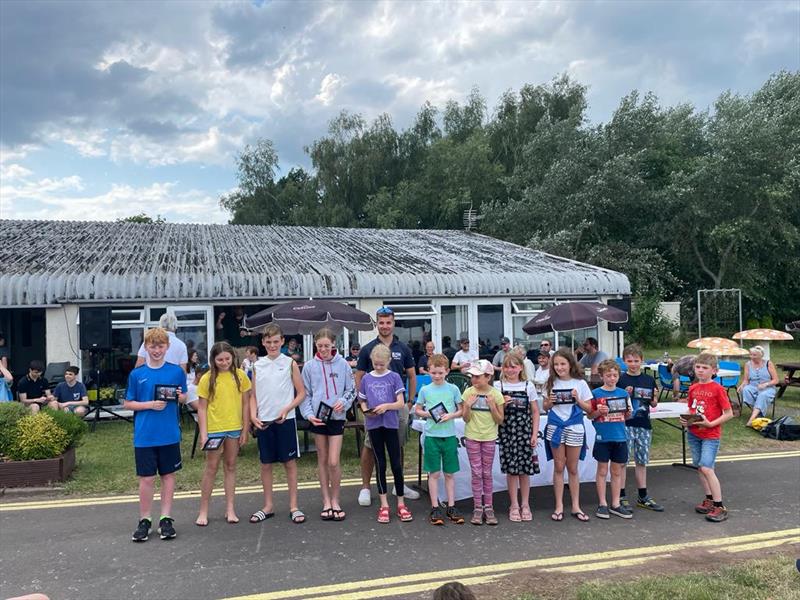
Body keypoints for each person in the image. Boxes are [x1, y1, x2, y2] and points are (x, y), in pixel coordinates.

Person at [122, 327, 187, 542]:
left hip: (169, 434)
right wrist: (150, 404)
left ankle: (166, 518)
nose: (157, 350)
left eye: (160, 346)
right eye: (153, 346)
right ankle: (145, 520)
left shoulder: (176, 371)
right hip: (145, 435)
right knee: (147, 478)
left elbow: (184, 397)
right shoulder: (137, 374)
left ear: (167, 347)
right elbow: (128, 403)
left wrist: (180, 397)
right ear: (146, 347)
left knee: (168, 476)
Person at [356, 306, 419, 506]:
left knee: (397, 444)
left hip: (397, 406)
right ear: (377, 324)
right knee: (370, 446)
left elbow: (411, 375)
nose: (385, 326)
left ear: (393, 323)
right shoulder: (368, 349)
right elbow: (359, 377)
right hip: (373, 410)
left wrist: (409, 402)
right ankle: (366, 487)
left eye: (388, 322)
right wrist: (362, 403)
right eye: (381, 322)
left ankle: (397, 485)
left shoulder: (403, 348)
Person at [250, 325, 306, 525]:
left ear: (282, 341)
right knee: (266, 464)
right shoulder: (257, 366)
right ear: (263, 342)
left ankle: (294, 506)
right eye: (268, 342)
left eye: (276, 341)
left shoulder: (290, 362)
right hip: (264, 421)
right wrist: (252, 415)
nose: (272, 345)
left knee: (289, 464)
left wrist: (287, 409)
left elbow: (301, 393)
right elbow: (253, 395)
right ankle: (268, 506)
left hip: (286, 421)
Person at [194, 341, 251, 527]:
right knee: (211, 468)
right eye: (220, 359)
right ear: (213, 360)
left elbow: (245, 404)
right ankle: (203, 510)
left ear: (233, 358)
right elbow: (201, 408)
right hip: (215, 429)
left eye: (227, 359)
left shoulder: (241, 376)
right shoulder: (207, 378)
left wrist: (245, 428)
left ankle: (230, 508)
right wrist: (204, 434)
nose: (224, 362)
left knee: (231, 466)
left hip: (234, 427)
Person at [301, 328, 355, 522]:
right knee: (322, 460)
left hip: (337, 417)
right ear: (315, 345)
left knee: (333, 461)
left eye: (326, 346)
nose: (323, 349)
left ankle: (336, 499)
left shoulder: (343, 365)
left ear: (334, 344)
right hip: (318, 417)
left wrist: (344, 401)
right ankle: (326, 501)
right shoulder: (309, 366)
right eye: (320, 346)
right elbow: (305, 394)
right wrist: (308, 414)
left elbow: (351, 390)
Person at [358, 344, 412, 524]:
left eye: (382, 364)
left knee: (396, 463)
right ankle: (384, 504)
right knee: (380, 463)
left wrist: (386, 406)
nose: (378, 367)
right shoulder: (366, 378)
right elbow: (362, 400)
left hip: (390, 423)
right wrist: (366, 411)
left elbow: (400, 402)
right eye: (375, 364)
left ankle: (401, 503)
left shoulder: (394, 377)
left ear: (389, 361)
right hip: (374, 424)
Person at [679, 352, 734, 522]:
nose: (700, 371)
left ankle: (720, 506)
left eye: (705, 368)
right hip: (695, 432)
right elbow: (692, 408)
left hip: (711, 434)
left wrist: (711, 424)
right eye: (698, 367)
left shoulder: (718, 389)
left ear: (714, 370)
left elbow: (729, 413)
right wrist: (685, 418)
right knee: (700, 468)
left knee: (707, 468)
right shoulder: (693, 388)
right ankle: (709, 499)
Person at [543, 349, 593, 522]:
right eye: (556, 364)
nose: (559, 367)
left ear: (570, 364)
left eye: (562, 363)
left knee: (572, 468)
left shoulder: (580, 383)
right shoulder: (550, 382)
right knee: (558, 467)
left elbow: (590, 408)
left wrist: (578, 400)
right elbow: (545, 407)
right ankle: (558, 506)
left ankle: (576, 506)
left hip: (574, 427)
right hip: (555, 426)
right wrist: (550, 402)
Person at [414, 354, 464, 525]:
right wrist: (428, 414)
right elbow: (418, 409)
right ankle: (435, 507)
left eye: (440, 373)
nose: (437, 376)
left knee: (449, 473)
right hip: (432, 436)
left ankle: (451, 505)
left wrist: (451, 415)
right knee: (434, 473)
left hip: (448, 435)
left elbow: (461, 410)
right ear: (428, 371)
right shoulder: (425, 390)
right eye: (433, 373)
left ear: (447, 371)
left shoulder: (453, 389)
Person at [495, 354, 541, 523]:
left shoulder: (528, 386)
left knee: (524, 470)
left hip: (524, 432)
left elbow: (535, 411)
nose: (510, 370)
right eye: (507, 367)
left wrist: (534, 434)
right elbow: (492, 411)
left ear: (521, 367)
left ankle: (525, 504)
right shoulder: (497, 385)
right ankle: (513, 504)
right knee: (511, 471)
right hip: (506, 432)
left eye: (514, 367)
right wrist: (501, 404)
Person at [618, 344, 663, 512]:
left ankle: (643, 495)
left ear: (642, 361)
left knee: (642, 461)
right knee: (623, 461)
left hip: (644, 424)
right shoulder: (621, 380)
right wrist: (625, 393)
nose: (633, 364)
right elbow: (615, 403)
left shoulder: (649, 379)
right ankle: (621, 495)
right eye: (629, 361)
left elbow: (654, 402)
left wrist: (653, 398)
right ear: (624, 361)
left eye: (636, 361)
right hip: (626, 424)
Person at [461, 359, 504, 525]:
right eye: (473, 376)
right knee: (476, 473)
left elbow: (500, 420)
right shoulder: (468, 393)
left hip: (489, 437)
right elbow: (465, 418)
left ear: (488, 377)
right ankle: (477, 507)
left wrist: (493, 407)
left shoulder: (495, 394)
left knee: (487, 473)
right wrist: (467, 407)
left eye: (478, 376)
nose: (474, 380)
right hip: (472, 436)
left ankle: (489, 506)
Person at [589, 359, 633, 520]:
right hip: (603, 438)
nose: (612, 378)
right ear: (602, 376)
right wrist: (599, 412)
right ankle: (602, 503)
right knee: (602, 471)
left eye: (615, 375)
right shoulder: (596, 394)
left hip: (620, 436)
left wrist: (628, 413)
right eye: (608, 375)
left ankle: (615, 503)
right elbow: (590, 415)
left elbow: (628, 414)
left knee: (616, 471)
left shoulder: (623, 393)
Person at [738, 345, 779, 427]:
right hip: (753, 386)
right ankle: (757, 413)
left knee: (762, 395)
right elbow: (746, 380)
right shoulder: (748, 364)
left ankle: (751, 419)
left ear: (761, 355)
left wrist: (766, 384)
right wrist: (742, 385)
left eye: (754, 355)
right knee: (745, 389)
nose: (752, 357)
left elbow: (776, 380)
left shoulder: (768, 363)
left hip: (768, 388)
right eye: (751, 355)